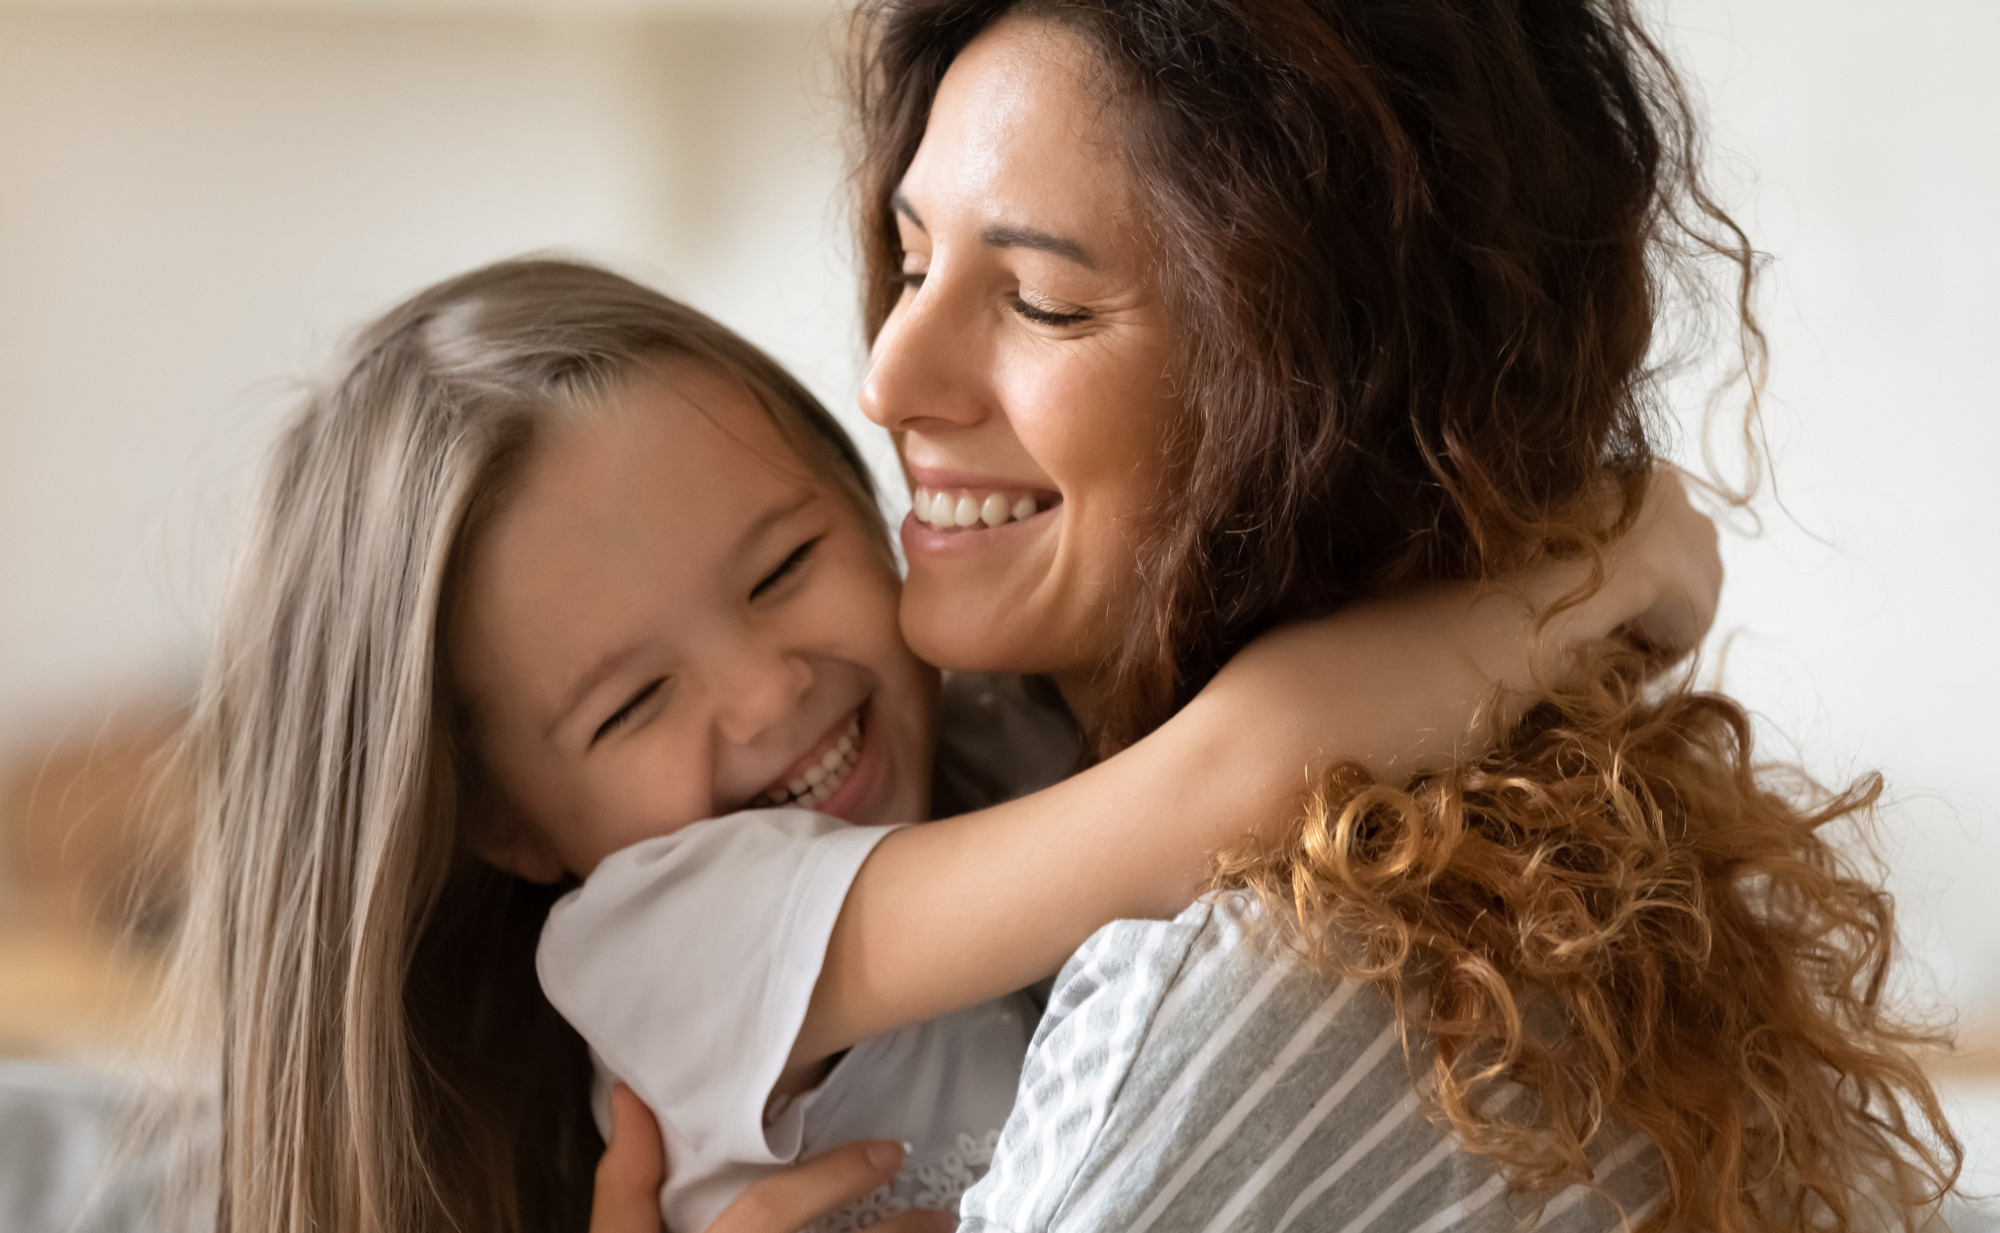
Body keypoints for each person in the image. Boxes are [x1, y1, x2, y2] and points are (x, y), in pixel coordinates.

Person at [598, 0, 1960, 1229]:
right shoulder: (1512, 827)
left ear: (1316, 397)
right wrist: (1603, 561)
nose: (887, 382)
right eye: (909, 264)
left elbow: (1243, 761)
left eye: (1043, 302)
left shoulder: (1244, 990)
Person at [159, 258, 1711, 1233]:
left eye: (783, 568)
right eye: (629, 705)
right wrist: (1615, 561)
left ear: (871, 508)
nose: (765, 691)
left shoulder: (988, 735)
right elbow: (1236, 774)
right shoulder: (652, 938)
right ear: (507, 826)